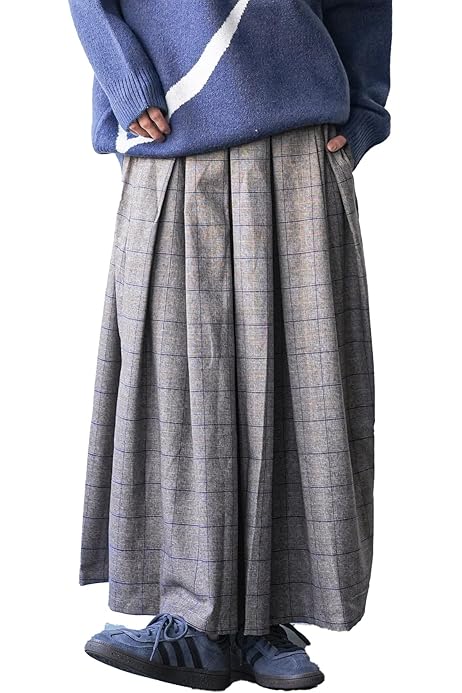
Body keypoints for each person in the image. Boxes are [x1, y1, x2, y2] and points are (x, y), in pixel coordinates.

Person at [68, 1, 392, 689]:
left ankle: (264, 619)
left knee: (304, 394)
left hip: (302, 135)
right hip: (171, 128)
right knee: (179, 389)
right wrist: (124, 77)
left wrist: (366, 107)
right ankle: (191, 620)